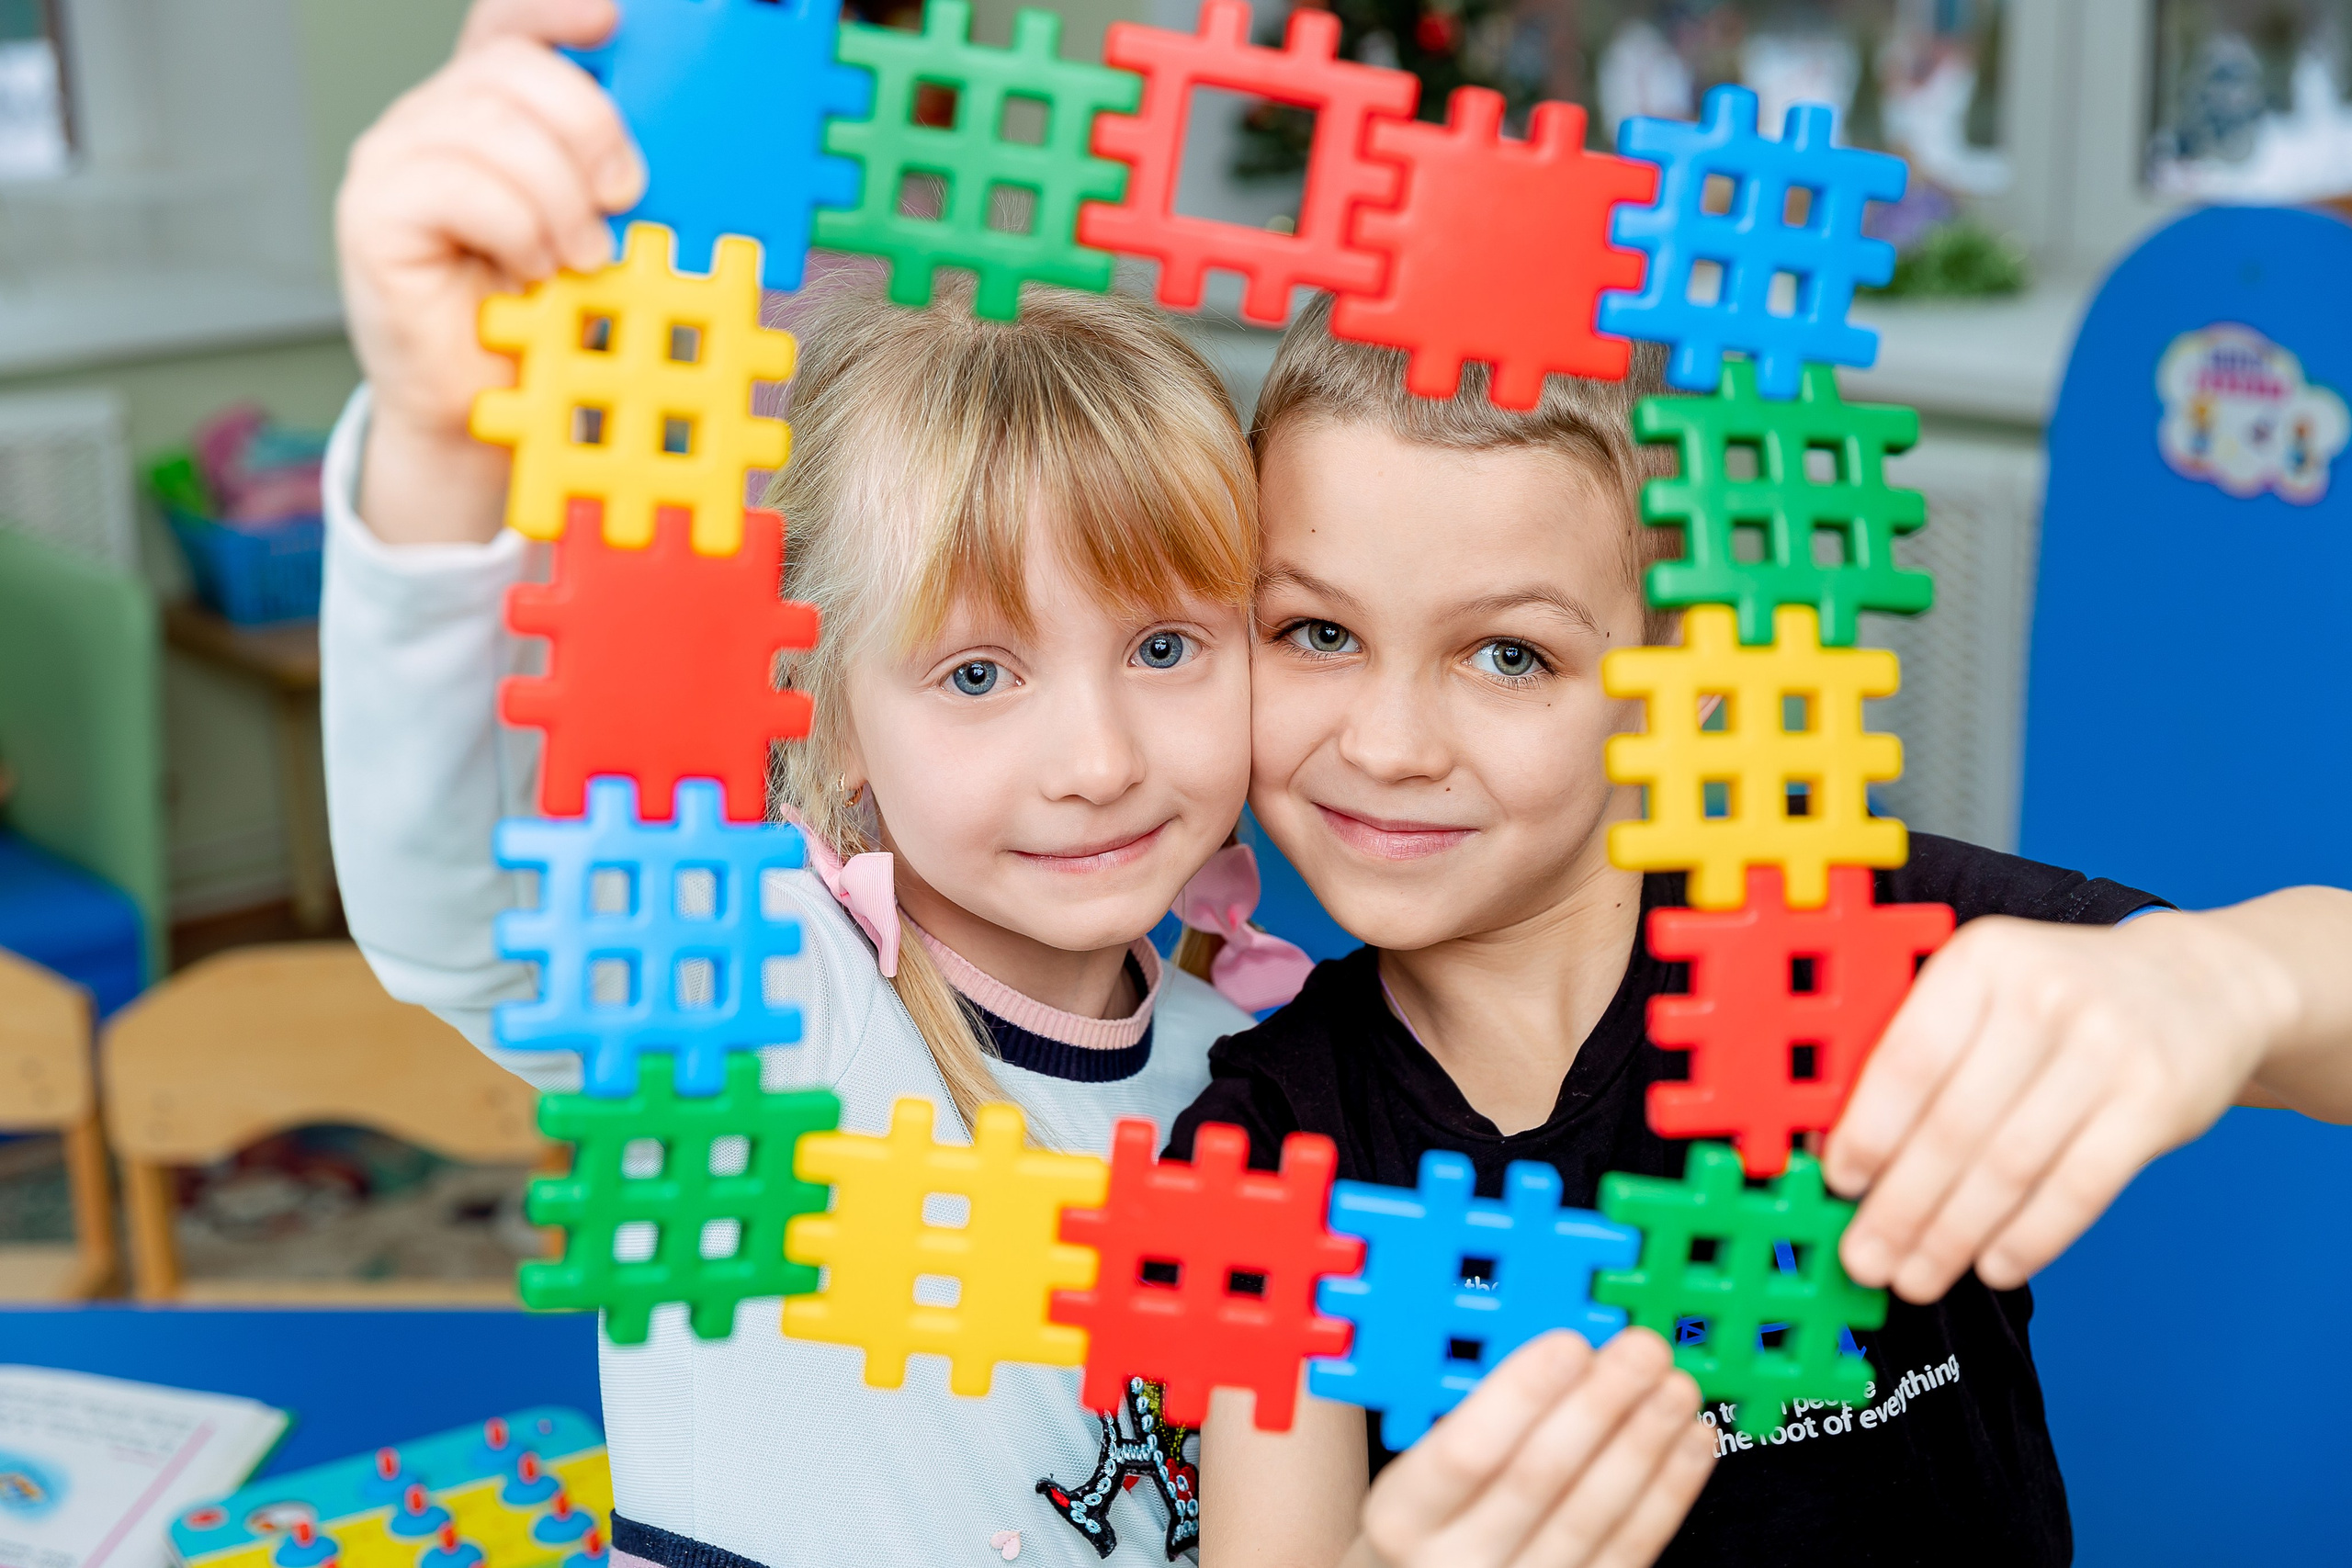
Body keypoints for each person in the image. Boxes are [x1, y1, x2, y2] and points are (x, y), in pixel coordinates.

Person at [1174, 297, 2352, 1568]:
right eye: (1318, 632)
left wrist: (2232, 980)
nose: (1387, 746)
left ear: (1673, 662)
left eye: (1510, 657)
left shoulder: (1853, 934)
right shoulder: (1264, 1148)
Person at [324, 3, 1281, 1562]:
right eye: (978, 675)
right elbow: (467, 911)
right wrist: (441, 446)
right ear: (828, 719)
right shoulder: (775, 997)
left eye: (1169, 647)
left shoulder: (1255, 1058)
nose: (1100, 760)